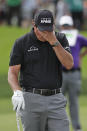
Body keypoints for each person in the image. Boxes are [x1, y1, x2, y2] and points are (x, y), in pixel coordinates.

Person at [8, 10, 73, 131]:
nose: (44, 33)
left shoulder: (60, 39)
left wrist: (54, 41)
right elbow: (12, 72)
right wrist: (16, 91)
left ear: (53, 26)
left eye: (48, 29)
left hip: (56, 99)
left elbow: (69, 64)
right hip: (30, 99)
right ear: (34, 24)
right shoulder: (21, 42)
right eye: (41, 29)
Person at [58, 15, 87, 131]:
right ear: (61, 26)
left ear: (72, 26)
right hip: (60, 74)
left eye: (67, 25)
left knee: (73, 102)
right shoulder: (57, 38)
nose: (66, 28)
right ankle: (59, 127)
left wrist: (81, 56)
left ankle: (76, 127)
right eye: (64, 26)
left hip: (74, 73)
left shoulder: (78, 38)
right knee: (59, 102)